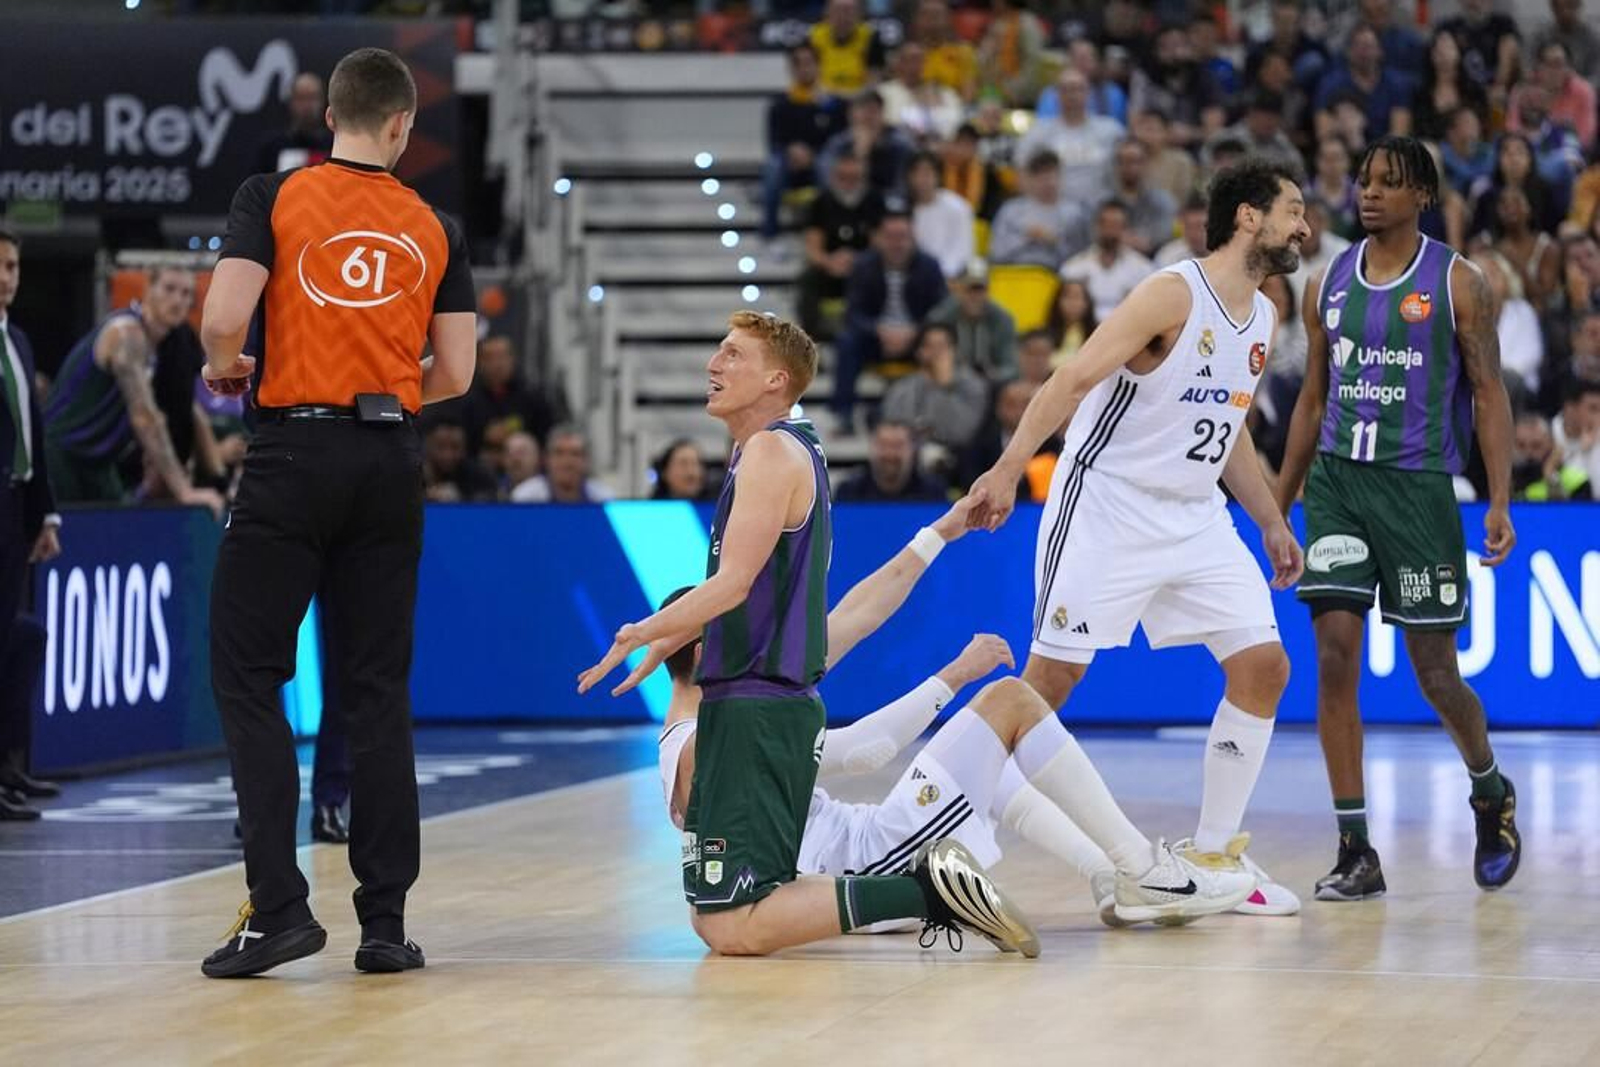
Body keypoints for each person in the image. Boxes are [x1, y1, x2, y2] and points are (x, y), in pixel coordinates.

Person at [577, 311, 1039, 958]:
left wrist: (643, 628)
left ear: (776, 379)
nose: (713, 364)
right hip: (777, 707)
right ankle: (926, 890)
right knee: (725, 922)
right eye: (717, 349)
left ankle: (926, 890)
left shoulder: (769, 451)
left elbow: (733, 582)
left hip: (754, 713)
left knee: (732, 922)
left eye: (732, 354)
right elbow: (850, 615)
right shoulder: (800, 452)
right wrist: (941, 533)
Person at [964, 158, 1316, 917]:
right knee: (1046, 688)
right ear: (1249, 216)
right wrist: (1005, 467)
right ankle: (941, 824)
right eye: (1293, 210)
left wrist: (1269, 520)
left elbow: (1227, 432)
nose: (1304, 226)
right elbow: (1070, 380)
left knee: (1264, 665)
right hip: (1108, 506)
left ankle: (1214, 856)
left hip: (1194, 517)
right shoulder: (1169, 293)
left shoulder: (1263, 315)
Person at [660, 498, 1263, 937]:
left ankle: (1109, 876)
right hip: (860, 865)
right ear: (698, 650)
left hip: (857, 842)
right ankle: (1142, 871)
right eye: (731, 624)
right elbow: (854, 754)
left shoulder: (725, 704)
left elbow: (857, 613)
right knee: (1009, 702)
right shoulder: (702, 738)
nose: (752, 631)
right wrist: (952, 676)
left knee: (985, 752)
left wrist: (939, 533)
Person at [196, 47, 477, 978]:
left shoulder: (270, 197)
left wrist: (236, 364)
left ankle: (278, 907)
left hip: (291, 453)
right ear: (402, 125)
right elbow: (461, 374)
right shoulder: (435, 224)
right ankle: (385, 926)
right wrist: (387, 390)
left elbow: (220, 323)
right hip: (390, 457)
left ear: (331, 117)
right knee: (376, 690)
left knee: (247, 672)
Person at [1275, 136, 1521, 902]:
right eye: (1363, 180)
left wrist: (1500, 498)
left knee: (1436, 675)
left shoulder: (1461, 283)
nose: (1368, 192)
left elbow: (1488, 393)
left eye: (1388, 182)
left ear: (1422, 194)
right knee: (1337, 656)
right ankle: (1356, 846)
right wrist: (1279, 505)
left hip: (1419, 490)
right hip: (1340, 484)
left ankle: (1489, 789)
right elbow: (1311, 402)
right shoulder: (1325, 282)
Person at [42, 267, 224, 515]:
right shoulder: (127, 333)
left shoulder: (161, 347)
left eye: (186, 293)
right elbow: (144, 417)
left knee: (116, 537)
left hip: (98, 462)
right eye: (170, 289)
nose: (178, 300)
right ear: (148, 288)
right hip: (62, 455)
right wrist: (184, 490)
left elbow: (181, 411)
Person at [0, 225, 62, 819]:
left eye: (13, 266)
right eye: (0, 266)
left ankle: (10, 770)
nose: (7, 277)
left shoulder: (16, 340)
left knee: (14, 638)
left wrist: (44, 511)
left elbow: (31, 436)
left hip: (15, 510)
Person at [987, 150, 1090, 271]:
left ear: (1060, 176)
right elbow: (996, 253)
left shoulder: (1075, 214)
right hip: (1014, 275)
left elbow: (1083, 259)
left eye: (1052, 174)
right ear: (1030, 179)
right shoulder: (1010, 211)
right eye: (1041, 176)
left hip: (1057, 276)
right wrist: (1026, 238)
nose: (1048, 182)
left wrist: (1054, 242)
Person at [834, 419, 947, 502]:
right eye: (883, 445)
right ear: (872, 448)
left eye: (898, 445)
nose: (890, 454)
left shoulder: (933, 492)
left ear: (912, 450)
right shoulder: (848, 492)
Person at [252, 72, 333, 175]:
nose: (307, 105)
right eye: (301, 98)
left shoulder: (335, 146)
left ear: (323, 101)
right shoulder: (271, 148)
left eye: (312, 97)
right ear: (291, 102)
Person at [510, 424, 613, 503]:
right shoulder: (525, 497)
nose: (567, 461)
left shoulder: (603, 498)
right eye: (559, 453)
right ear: (546, 459)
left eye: (575, 454)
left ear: (586, 460)